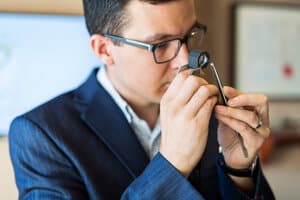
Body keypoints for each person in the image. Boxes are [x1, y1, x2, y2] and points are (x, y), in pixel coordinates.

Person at [9, 0, 275, 199]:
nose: (185, 61)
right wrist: (172, 164)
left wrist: (239, 171)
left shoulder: (212, 116)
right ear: (104, 50)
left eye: (188, 36)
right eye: (160, 44)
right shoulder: (41, 135)